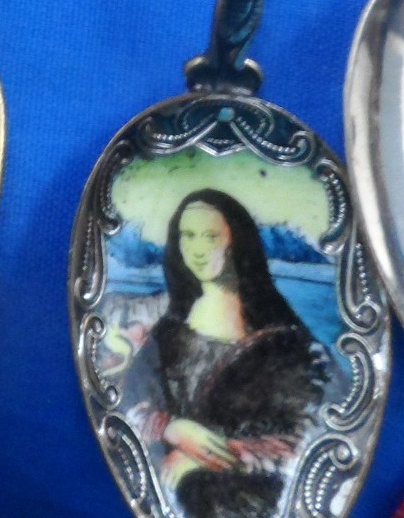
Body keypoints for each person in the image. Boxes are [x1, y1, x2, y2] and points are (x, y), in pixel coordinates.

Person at [122, 189, 328, 518]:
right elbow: (131, 400)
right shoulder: (171, 329)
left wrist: (211, 455)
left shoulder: (284, 342)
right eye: (187, 236)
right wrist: (171, 429)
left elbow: (306, 436)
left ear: (236, 241)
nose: (198, 250)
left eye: (211, 236)